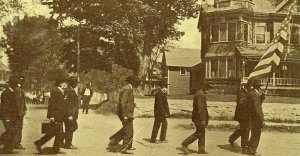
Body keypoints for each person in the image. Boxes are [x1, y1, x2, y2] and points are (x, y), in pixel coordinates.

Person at [34, 78, 69, 154]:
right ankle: (39, 143)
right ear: (60, 83)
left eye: (67, 83)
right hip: (56, 115)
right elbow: (52, 104)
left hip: (60, 115)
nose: (66, 84)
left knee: (58, 133)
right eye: (64, 82)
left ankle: (56, 148)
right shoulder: (55, 91)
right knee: (54, 132)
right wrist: (51, 116)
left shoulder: (62, 91)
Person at [108, 75, 141, 154]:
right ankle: (124, 148)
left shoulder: (128, 88)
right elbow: (123, 103)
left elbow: (126, 101)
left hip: (127, 112)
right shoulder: (127, 89)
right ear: (133, 82)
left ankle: (116, 140)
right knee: (128, 130)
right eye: (137, 83)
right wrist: (124, 115)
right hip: (125, 113)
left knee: (128, 129)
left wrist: (133, 104)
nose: (138, 85)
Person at [181, 81, 211, 155]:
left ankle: (201, 149)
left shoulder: (200, 93)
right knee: (199, 133)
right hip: (199, 118)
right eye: (207, 88)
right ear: (204, 87)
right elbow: (200, 108)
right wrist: (203, 119)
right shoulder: (200, 94)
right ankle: (185, 143)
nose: (208, 90)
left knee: (202, 133)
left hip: (199, 117)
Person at [228, 80, 251, 153]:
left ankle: (232, 138)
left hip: (246, 114)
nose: (250, 86)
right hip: (242, 115)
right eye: (249, 84)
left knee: (243, 129)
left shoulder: (246, 92)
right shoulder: (242, 93)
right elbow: (242, 103)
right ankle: (244, 147)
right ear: (244, 85)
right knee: (245, 130)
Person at [0, 76, 20, 154]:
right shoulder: (6, 93)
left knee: (12, 132)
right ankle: (7, 149)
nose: (17, 86)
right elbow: (4, 107)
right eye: (15, 85)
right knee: (11, 131)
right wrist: (7, 118)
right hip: (8, 117)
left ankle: (8, 149)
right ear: (12, 84)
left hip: (13, 117)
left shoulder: (12, 92)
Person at [247, 79, 265, 155]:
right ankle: (252, 150)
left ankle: (250, 147)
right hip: (256, 117)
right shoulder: (255, 94)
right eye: (260, 86)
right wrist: (262, 119)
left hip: (251, 116)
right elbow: (257, 108)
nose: (260, 88)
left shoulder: (251, 93)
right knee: (256, 133)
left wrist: (261, 98)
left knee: (254, 133)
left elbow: (256, 104)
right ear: (258, 87)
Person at [63, 76, 79, 149]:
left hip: (72, 113)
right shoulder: (68, 90)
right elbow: (67, 104)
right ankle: (68, 144)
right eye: (75, 83)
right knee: (70, 128)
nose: (76, 84)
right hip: (69, 114)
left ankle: (61, 141)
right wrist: (69, 114)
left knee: (73, 127)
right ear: (73, 83)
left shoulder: (71, 90)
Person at [13, 75, 26, 150]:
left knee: (19, 127)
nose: (22, 81)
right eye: (21, 79)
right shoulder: (17, 90)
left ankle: (16, 142)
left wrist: (25, 109)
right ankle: (16, 143)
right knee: (18, 127)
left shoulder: (20, 89)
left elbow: (23, 101)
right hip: (18, 113)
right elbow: (18, 102)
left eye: (23, 79)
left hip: (20, 112)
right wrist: (20, 111)